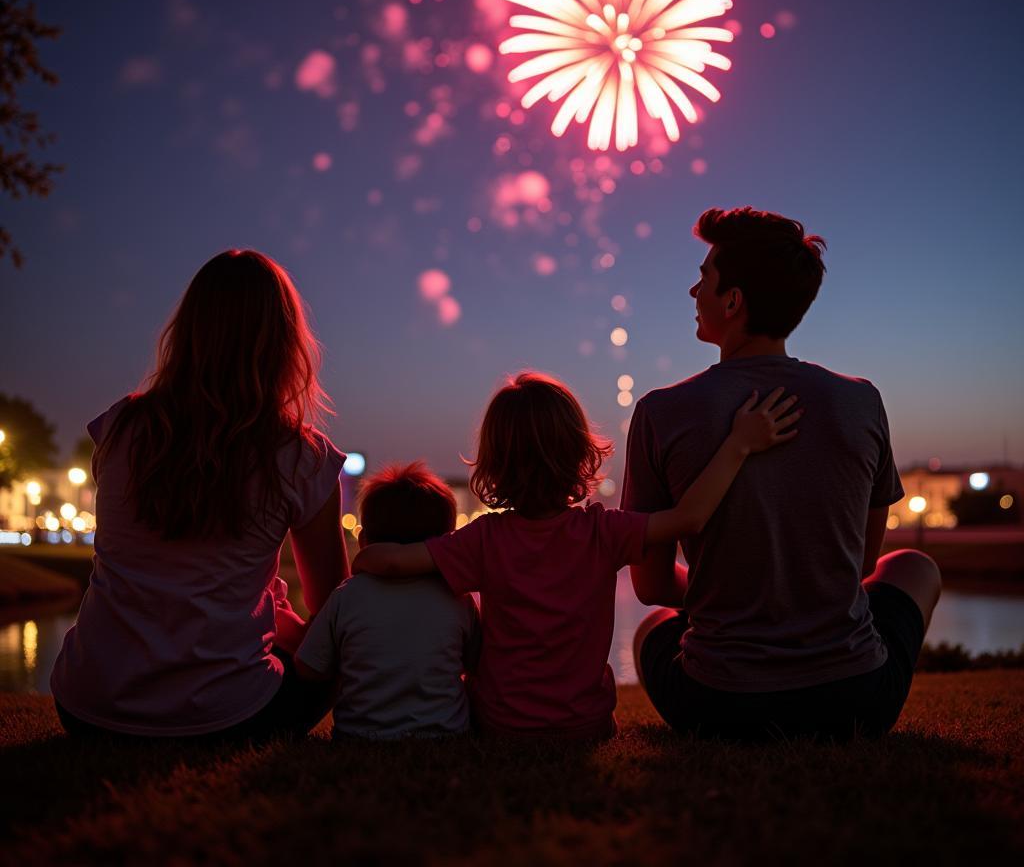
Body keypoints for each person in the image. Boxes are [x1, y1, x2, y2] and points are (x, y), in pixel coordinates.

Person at [624, 206, 942, 742]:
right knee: (913, 566)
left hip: (718, 706)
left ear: (733, 300)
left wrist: (727, 598)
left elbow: (652, 585)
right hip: (856, 701)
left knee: (654, 628)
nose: (692, 292)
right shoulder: (861, 401)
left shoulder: (661, 412)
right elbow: (860, 565)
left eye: (703, 278)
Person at [352, 371, 799, 740]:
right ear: (578, 452)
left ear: (494, 462)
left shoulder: (484, 539)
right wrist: (738, 444)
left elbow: (394, 562)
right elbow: (690, 517)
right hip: (584, 726)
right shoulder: (602, 531)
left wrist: (365, 558)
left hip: (500, 726)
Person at [51, 250, 349, 741]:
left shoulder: (120, 426)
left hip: (86, 707)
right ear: (283, 342)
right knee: (333, 650)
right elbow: (335, 609)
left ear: (189, 330)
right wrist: (278, 626)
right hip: (232, 717)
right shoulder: (303, 456)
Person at [295, 463, 481, 740]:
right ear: (444, 542)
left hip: (358, 735)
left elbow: (309, 668)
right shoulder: (457, 597)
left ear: (363, 540)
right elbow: (475, 661)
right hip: (445, 734)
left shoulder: (347, 595)